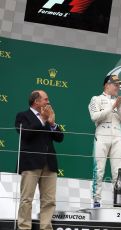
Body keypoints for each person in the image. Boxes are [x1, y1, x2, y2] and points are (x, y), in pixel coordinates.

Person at [15, 90, 64, 230]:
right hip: (30, 163)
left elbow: (60, 138)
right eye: (45, 99)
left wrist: (53, 123)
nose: (48, 102)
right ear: (36, 101)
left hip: (49, 164)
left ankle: (46, 228)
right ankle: (24, 227)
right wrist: (42, 120)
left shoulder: (48, 116)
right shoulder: (23, 116)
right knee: (26, 199)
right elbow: (25, 134)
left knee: (49, 201)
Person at [88, 74, 121, 208]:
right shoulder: (96, 99)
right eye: (115, 84)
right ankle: (96, 200)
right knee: (99, 170)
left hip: (117, 137)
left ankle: (117, 201)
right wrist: (112, 106)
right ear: (107, 85)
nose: (118, 87)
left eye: (119, 84)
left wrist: (118, 107)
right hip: (101, 135)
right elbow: (95, 117)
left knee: (118, 171)